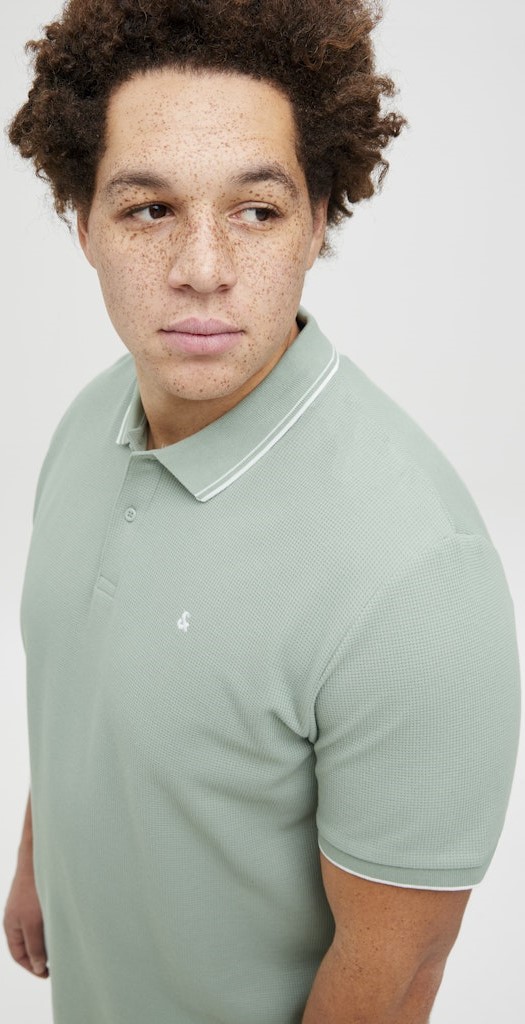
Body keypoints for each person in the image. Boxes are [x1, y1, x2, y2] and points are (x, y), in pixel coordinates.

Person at [3, 1, 521, 1022]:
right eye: (149, 209)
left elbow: (396, 977)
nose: (202, 268)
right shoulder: (89, 421)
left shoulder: (417, 578)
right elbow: (85, 683)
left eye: (256, 211)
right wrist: (38, 856)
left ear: (318, 220)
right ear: (82, 223)